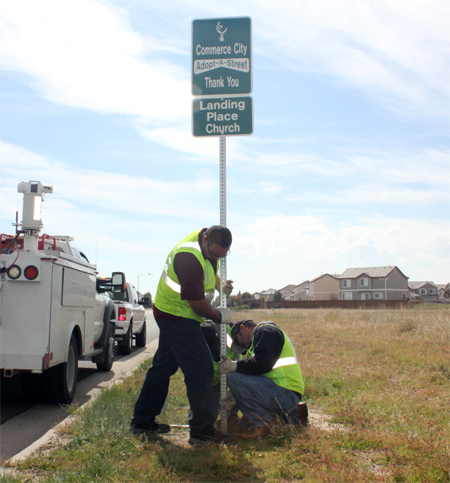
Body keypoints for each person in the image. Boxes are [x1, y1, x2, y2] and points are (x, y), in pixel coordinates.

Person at [131, 226, 236, 445]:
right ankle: (202, 432)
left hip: (177, 312)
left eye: (222, 256)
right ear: (205, 239)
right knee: (202, 369)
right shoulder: (188, 256)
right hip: (175, 315)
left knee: (163, 367)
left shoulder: (205, 244)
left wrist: (220, 286)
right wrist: (220, 316)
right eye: (215, 254)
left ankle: (142, 420)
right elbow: (198, 305)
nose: (217, 258)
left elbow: (207, 272)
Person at [218, 319, 305, 439]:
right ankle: (272, 422)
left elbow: (262, 364)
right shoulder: (261, 338)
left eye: (241, 343)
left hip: (284, 392)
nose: (242, 346)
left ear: (243, 328)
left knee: (234, 378)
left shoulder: (265, 331)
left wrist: (235, 366)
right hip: (284, 391)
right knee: (243, 424)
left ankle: (262, 423)